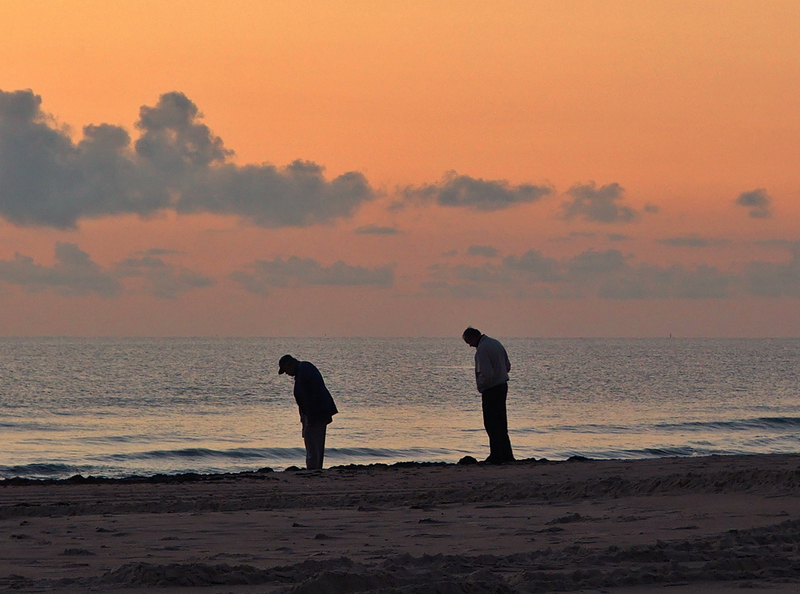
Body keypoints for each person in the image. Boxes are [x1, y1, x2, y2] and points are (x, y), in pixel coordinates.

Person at [462, 327, 515, 464]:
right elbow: (507, 366)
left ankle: (496, 455)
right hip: (502, 385)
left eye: (468, 341)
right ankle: (506, 454)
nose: (469, 345)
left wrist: (482, 385)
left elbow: (487, 373)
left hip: (491, 389)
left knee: (491, 423)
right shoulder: (496, 343)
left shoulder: (482, 349)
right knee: (501, 422)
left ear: (473, 337)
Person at [278, 354, 338, 470]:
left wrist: (311, 416)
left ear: (290, 364)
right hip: (314, 414)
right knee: (314, 443)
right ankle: (315, 468)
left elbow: (316, 391)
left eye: (286, 370)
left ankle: (313, 469)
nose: (287, 374)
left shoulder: (305, 368)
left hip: (316, 414)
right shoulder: (302, 371)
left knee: (313, 443)